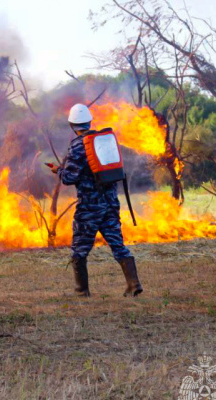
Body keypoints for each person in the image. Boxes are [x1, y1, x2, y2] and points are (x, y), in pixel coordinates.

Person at [52, 104, 143, 297]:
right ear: (89, 121)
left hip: (89, 207)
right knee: (117, 244)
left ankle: (81, 291)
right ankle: (134, 284)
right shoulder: (104, 141)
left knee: (80, 248)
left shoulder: (78, 145)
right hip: (110, 203)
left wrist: (58, 170)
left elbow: (69, 178)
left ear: (72, 125)